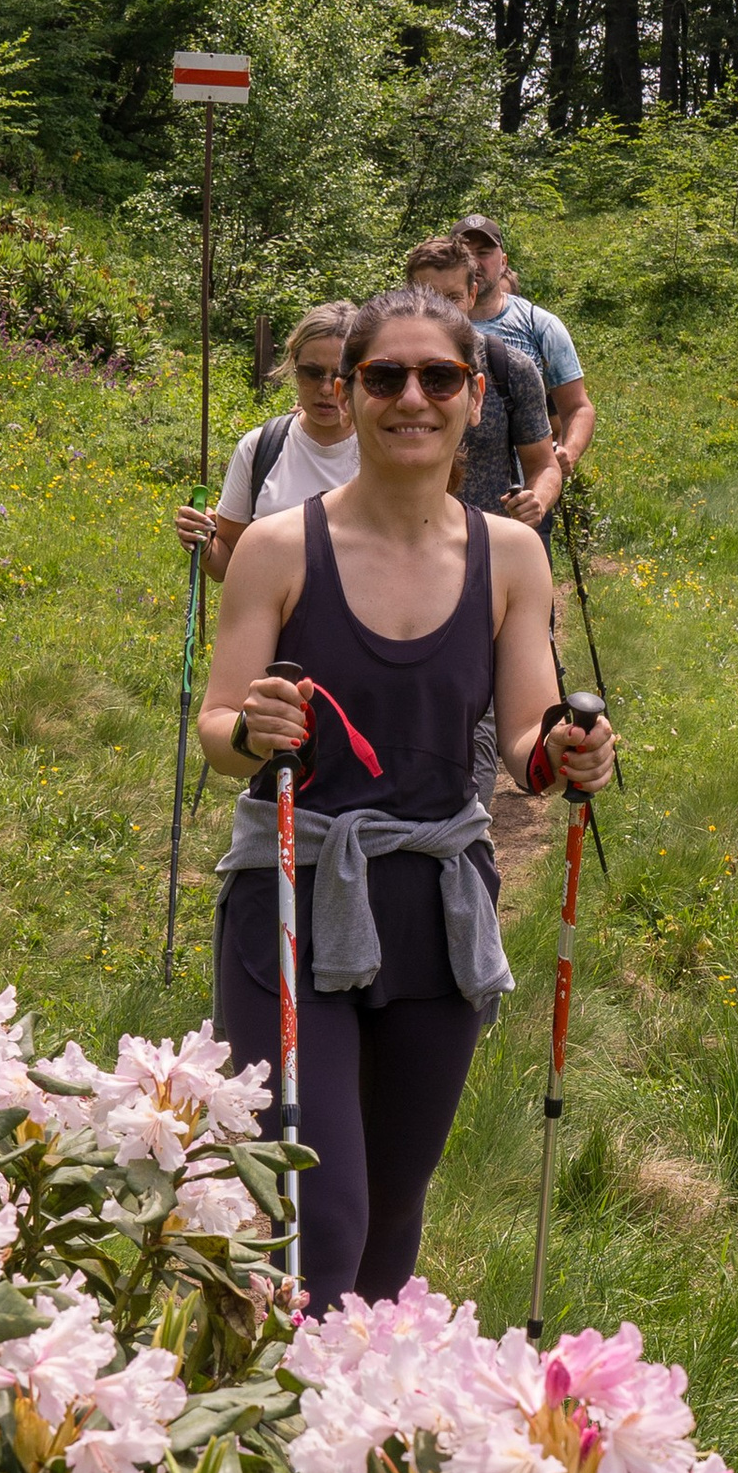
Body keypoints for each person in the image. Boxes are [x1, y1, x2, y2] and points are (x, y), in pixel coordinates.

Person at [197, 286, 615, 1303]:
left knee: (391, 1214)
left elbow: (523, 741)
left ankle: (364, 1443)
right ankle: (279, 1433)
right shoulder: (279, 548)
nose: (411, 398)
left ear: (476, 397)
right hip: (292, 896)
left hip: (436, 904)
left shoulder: (510, 555)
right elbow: (216, 730)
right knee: (315, 1218)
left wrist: (568, 749)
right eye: (385, 376)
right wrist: (254, 729)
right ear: (346, 391)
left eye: (439, 377)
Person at [174, 302, 355, 582]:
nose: (326, 388)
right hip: (269, 623)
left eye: (340, 375)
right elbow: (228, 564)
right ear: (294, 364)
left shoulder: (384, 453)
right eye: (312, 372)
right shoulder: (260, 447)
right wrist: (203, 540)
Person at [405, 229, 556, 526]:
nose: (442, 310)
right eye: (429, 296)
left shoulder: (510, 368)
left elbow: (543, 464)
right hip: (400, 543)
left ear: (472, 295)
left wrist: (537, 499)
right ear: (408, 297)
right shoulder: (381, 373)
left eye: (453, 297)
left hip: (490, 544)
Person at [442, 214, 594, 497]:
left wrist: (568, 451)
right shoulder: (425, 326)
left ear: (504, 262)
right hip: (436, 495)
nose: (475, 263)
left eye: (484, 253)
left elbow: (577, 407)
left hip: (524, 495)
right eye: (465, 254)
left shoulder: (539, 325)